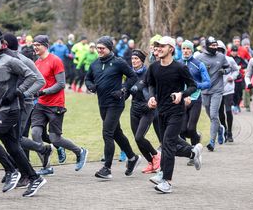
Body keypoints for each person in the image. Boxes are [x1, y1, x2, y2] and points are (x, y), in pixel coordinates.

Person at [0, 33, 46, 197]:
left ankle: (11, 170)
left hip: (11, 110)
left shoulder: (10, 61)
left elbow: (32, 77)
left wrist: (18, 91)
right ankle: (35, 178)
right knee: (13, 147)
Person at [147, 36, 202, 194]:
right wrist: (151, 97)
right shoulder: (154, 67)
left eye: (162, 46)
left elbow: (193, 86)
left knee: (168, 144)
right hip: (161, 111)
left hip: (176, 112)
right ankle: (192, 152)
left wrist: (182, 94)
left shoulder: (180, 68)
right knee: (165, 145)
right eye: (157, 46)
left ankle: (166, 181)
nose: (159, 49)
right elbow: (151, 83)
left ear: (171, 48)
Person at [85, 35, 141, 180]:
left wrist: (123, 89)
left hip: (116, 103)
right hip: (102, 103)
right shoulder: (95, 64)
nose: (99, 51)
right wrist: (90, 86)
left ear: (109, 48)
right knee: (116, 133)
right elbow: (87, 78)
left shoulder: (118, 62)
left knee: (107, 133)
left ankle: (107, 168)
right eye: (98, 48)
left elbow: (133, 76)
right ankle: (132, 157)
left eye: (102, 48)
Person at [31, 35, 88, 175]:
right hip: (40, 104)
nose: (35, 47)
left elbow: (61, 84)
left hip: (55, 105)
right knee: (35, 134)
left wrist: (42, 92)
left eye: (38, 44)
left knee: (55, 138)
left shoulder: (55, 61)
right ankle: (47, 166)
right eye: (34, 44)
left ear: (45, 45)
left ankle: (80, 151)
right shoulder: (36, 63)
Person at [4, 33, 53, 187]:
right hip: (11, 104)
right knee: (9, 137)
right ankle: (15, 169)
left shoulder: (22, 60)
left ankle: (25, 173)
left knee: (16, 138)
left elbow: (40, 81)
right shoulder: (4, 61)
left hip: (25, 103)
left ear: (6, 45)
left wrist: (23, 94)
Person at [128, 49, 161, 174]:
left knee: (139, 137)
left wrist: (153, 101)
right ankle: (151, 163)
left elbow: (155, 89)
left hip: (148, 109)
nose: (134, 61)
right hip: (134, 108)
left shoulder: (148, 73)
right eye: (132, 59)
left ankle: (156, 155)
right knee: (137, 140)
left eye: (136, 59)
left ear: (142, 60)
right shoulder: (130, 73)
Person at [196, 36, 230, 151]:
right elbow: (195, 72)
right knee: (209, 115)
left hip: (217, 90)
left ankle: (212, 141)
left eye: (216, 45)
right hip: (205, 90)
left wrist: (224, 71)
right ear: (207, 46)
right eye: (213, 46)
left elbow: (228, 68)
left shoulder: (221, 57)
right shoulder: (200, 57)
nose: (215, 47)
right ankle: (220, 129)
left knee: (214, 114)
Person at [179, 40, 210, 166]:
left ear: (192, 50)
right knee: (182, 131)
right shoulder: (178, 64)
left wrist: (195, 85)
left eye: (188, 49)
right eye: (184, 49)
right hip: (182, 99)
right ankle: (195, 145)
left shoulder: (198, 64)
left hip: (196, 98)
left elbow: (208, 82)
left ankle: (193, 156)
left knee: (191, 128)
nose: (186, 51)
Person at [217, 40, 239, 142]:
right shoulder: (213, 61)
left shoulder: (229, 60)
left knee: (228, 110)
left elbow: (236, 70)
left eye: (221, 50)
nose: (219, 52)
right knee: (220, 112)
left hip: (229, 88)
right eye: (217, 50)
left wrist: (232, 77)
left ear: (224, 50)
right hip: (217, 89)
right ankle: (224, 129)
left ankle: (230, 132)